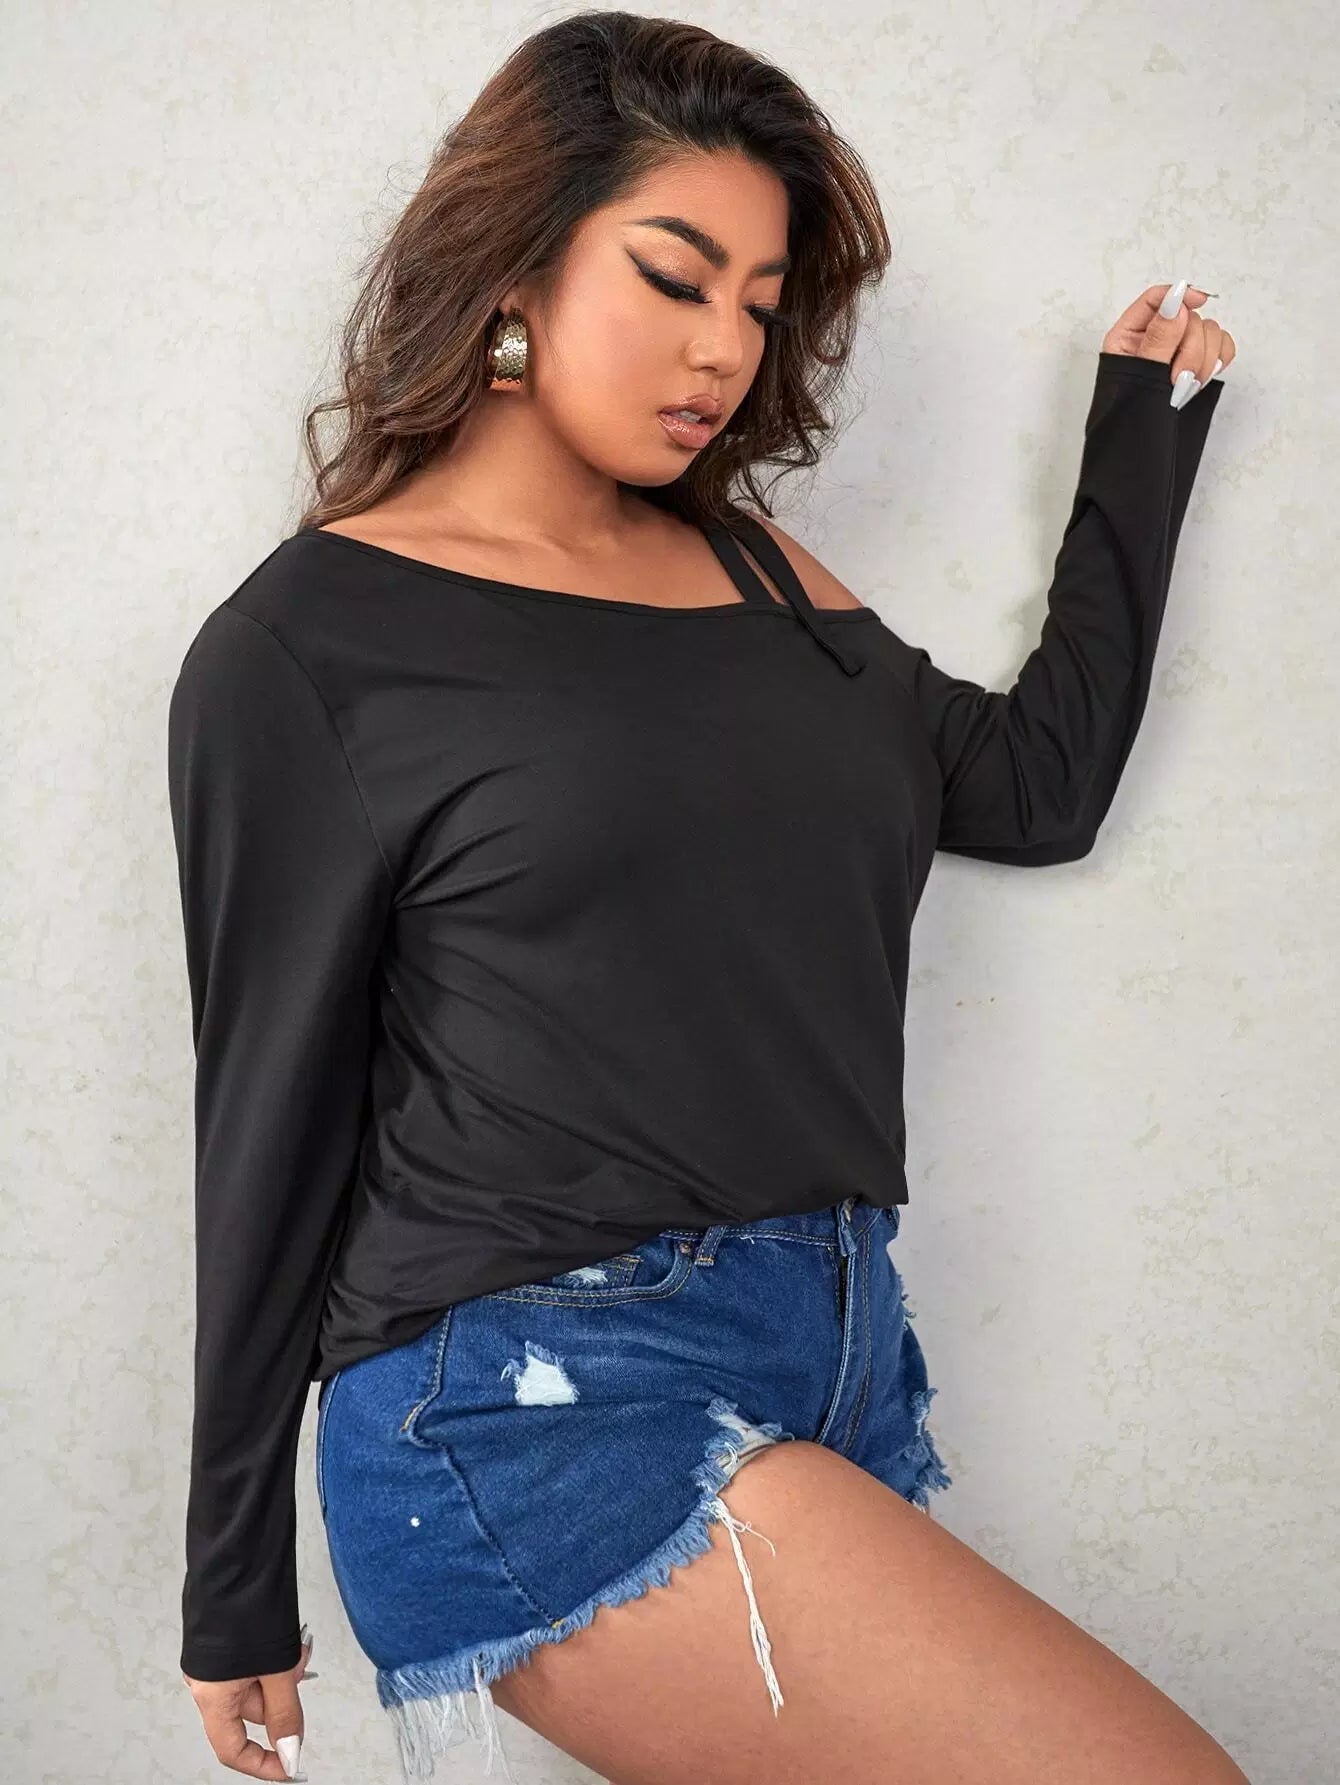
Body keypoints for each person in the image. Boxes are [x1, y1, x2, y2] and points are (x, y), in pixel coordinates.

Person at [166, 10, 1245, 1784]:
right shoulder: (311, 646)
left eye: (759, 301)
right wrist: (231, 1581)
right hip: (526, 1403)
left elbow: (1035, 790)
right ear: (516, 264)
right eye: (674, 279)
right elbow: (265, 1122)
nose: (725, 348)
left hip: (837, 1351)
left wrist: (1144, 437)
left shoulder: (751, 574)